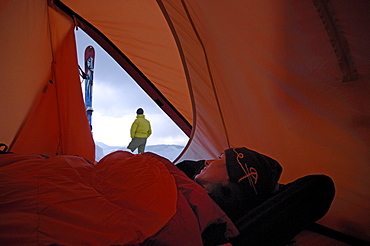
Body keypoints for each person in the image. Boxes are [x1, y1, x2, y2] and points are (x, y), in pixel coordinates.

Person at [176, 147, 335, 246]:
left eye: (220, 158)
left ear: (234, 176)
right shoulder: (182, 178)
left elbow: (317, 187)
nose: (207, 161)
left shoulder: (236, 227)